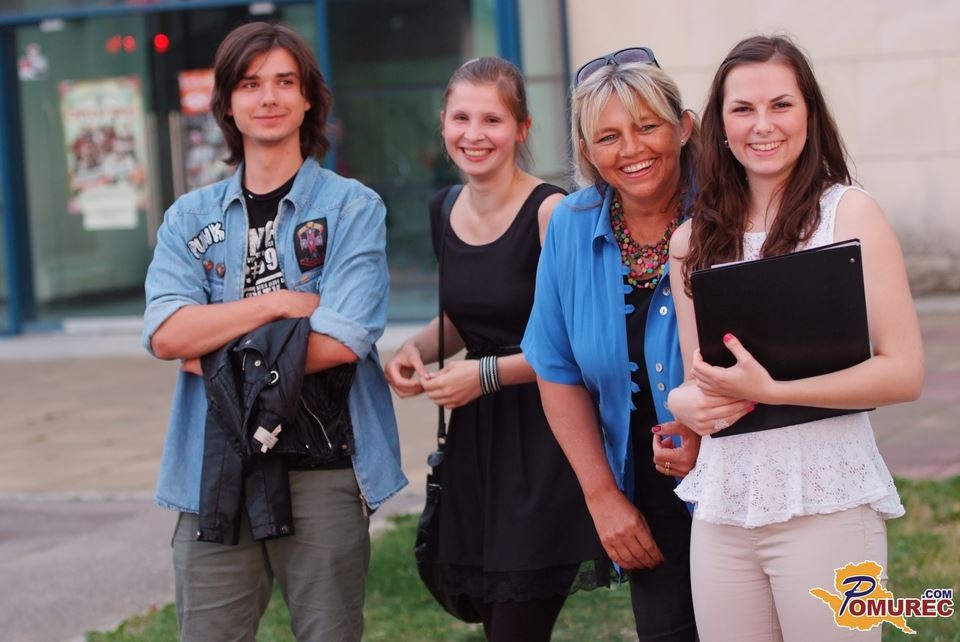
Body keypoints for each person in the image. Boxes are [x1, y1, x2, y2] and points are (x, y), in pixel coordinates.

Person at [141, 22, 405, 641]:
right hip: (215, 466)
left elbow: (341, 341)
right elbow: (168, 336)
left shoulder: (352, 209)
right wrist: (279, 305)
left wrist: (212, 349)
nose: (269, 97)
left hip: (322, 463)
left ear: (308, 97)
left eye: (285, 82)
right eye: (251, 83)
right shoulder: (188, 218)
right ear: (228, 102)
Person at [666, 35, 924, 642]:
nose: (763, 125)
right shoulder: (692, 241)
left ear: (809, 112)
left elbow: (904, 372)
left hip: (828, 500)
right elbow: (698, 380)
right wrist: (682, 401)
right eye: (743, 109)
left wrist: (773, 389)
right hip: (725, 509)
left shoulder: (850, 215)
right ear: (720, 126)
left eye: (781, 105)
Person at [384, 57, 607, 642]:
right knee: (495, 622)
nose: (474, 134)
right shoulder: (442, 209)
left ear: (522, 129)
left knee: (515, 627)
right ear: (442, 123)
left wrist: (482, 375)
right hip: (476, 444)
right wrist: (414, 349)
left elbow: (580, 348)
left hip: (547, 437)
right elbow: (468, 318)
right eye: (461, 118)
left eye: (492, 119)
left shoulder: (553, 212)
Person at [520, 49, 700, 641]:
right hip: (646, 491)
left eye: (648, 126)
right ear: (586, 150)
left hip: (745, 478)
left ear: (684, 127)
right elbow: (556, 368)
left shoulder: (730, 212)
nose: (631, 149)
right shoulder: (570, 225)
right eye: (608, 136)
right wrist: (602, 497)